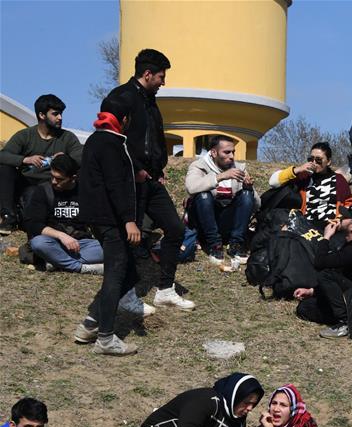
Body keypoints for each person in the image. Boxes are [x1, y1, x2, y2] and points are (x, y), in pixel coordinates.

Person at [106, 48, 194, 311]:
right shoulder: (120, 98)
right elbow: (111, 143)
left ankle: (165, 289)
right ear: (147, 74)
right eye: (160, 76)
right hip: (131, 181)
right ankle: (125, 294)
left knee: (176, 229)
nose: (163, 82)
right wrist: (134, 170)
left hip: (153, 179)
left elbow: (152, 138)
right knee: (129, 238)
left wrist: (159, 165)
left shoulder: (149, 100)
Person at [72, 97, 144, 356]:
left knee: (129, 274)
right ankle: (105, 338)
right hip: (112, 220)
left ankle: (91, 323)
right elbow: (115, 184)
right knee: (115, 274)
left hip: (98, 218)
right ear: (124, 120)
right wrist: (129, 220)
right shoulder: (112, 143)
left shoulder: (94, 140)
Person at [294, 205, 352, 339]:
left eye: (344, 217)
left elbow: (320, 264)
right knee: (305, 308)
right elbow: (340, 275)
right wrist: (312, 292)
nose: (339, 218)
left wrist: (326, 237)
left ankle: (346, 323)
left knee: (325, 274)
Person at [0, 94, 83, 234]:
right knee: (4, 169)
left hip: (53, 186)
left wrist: (66, 159)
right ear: (42, 115)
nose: (60, 118)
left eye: (61, 114)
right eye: (55, 114)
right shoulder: (25, 135)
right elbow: (3, 155)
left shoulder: (67, 138)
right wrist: (25, 160)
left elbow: (81, 156)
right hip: (26, 183)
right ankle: (9, 216)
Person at [20, 155, 101, 274]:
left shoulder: (85, 191)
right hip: (53, 242)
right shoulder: (43, 191)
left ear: (73, 178)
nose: (53, 181)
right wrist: (61, 236)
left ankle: (56, 260)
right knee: (38, 243)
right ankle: (81, 268)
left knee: (115, 248)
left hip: (81, 244)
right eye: (52, 176)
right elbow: (33, 224)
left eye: (59, 179)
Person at [184, 135, 259, 264]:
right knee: (203, 195)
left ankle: (235, 244)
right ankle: (214, 245)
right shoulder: (199, 166)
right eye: (226, 152)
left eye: (233, 152)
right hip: (204, 222)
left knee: (246, 194)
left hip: (227, 221)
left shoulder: (240, 168)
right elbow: (191, 187)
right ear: (213, 152)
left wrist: (249, 189)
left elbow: (257, 205)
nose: (231, 156)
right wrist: (220, 177)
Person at [267, 141, 352, 231]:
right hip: (305, 225)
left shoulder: (338, 180)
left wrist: (338, 221)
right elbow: (273, 182)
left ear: (328, 162)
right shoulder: (304, 177)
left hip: (329, 227)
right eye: (311, 159)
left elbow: (348, 204)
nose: (314, 162)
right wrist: (298, 169)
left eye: (318, 160)